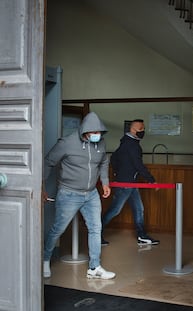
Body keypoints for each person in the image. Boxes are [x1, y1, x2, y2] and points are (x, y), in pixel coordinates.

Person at [43, 112, 115, 280]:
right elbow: (48, 162)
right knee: (58, 229)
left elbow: (104, 161)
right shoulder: (67, 143)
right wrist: (41, 187)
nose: (98, 135)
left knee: (96, 228)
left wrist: (105, 182)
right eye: (94, 132)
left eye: (100, 132)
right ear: (85, 131)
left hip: (91, 194)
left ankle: (94, 267)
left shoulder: (101, 143)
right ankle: (44, 260)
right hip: (69, 193)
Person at [101, 119, 160, 246]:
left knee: (139, 209)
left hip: (131, 183)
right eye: (140, 129)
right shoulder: (132, 145)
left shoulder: (125, 142)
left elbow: (114, 159)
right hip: (126, 184)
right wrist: (151, 180)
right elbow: (138, 165)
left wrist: (119, 172)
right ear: (132, 130)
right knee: (115, 210)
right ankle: (96, 233)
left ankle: (142, 236)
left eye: (143, 129)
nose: (143, 132)